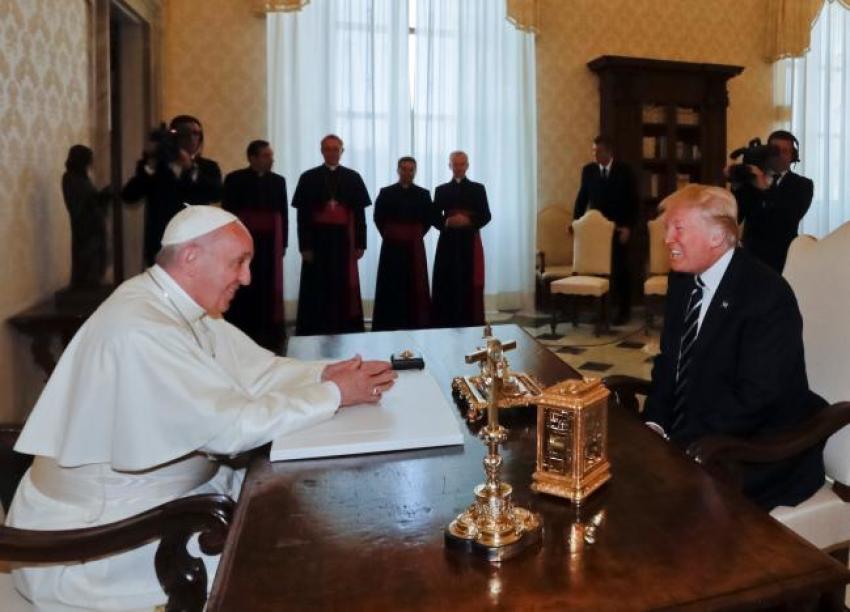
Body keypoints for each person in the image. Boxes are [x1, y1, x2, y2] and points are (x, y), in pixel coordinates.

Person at [7, 206, 396, 609]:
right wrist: (334, 394)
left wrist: (325, 374)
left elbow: (257, 372)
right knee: (296, 563)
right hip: (106, 539)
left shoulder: (175, 306)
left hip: (172, 497)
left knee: (307, 517)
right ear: (191, 257)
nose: (246, 278)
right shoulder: (141, 327)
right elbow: (231, 428)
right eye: (239, 262)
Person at [643, 184, 824, 511]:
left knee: (658, 511)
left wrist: (680, 444)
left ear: (716, 236)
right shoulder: (683, 281)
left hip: (755, 449)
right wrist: (654, 424)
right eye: (667, 228)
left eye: (678, 228)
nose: (667, 238)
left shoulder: (766, 294)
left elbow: (757, 398)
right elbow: (670, 362)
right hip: (701, 435)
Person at [291, 134, 371, 335]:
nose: (332, 153)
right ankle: (316, 328)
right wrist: (304, 246)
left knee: (342, 288)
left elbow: (360, 215)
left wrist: (361, 243)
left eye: (336, 149)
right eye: (328, 149)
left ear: (342, 151)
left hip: (344, 241)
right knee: (317, 287)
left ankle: (345, 328)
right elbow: (302, 217)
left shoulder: (353, 177)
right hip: (317, 241)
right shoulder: (308, 177)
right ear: (321, 151)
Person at [121, 114, 223, 266]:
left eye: (196, 134)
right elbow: (128, 196)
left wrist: (191, 169)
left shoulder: (208, 167)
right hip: (161, 241)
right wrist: (149, 167)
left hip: (196, 240)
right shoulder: (154, 166)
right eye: (185, 134)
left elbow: (216, 194)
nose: (191, 138)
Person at [223, 140, 288, 350]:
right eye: (266, 155)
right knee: (245, 286)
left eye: (271, 155)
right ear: (252, 158)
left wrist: (283, 243)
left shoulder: (279, 181)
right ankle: (244, 330)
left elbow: (283, 215)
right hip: (244, 244)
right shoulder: (234, 180)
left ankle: (269, 332)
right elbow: (228, 214)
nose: (271, 160)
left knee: (268, 287)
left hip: (270, 245)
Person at [572, 135, 639, 325]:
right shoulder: (589, 171)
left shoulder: (625, 171)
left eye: (598, 151)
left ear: (609, 152)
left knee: (620, 271)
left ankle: (623, 312)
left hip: (619, 230)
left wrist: (628, 227)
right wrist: (575, 223)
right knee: (597, 272)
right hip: (596, 233)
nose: (594, 154)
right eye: (593, 151)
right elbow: (582, 199)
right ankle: (601, 311)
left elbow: (634, 202)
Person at [732, 129, 814, 273]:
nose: (780, 156)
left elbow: (788, 218)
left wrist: (765, 187)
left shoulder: (803, 185)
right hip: (751, 258)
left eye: (785, 151)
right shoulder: (751, 181)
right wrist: (736, 186)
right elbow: (735, 217)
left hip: (784, 260)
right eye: (775, 150)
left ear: (793, 156)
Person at [372, 157, 435, 331]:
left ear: (415, 171)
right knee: (390, 284)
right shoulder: (386, 193)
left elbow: (428, 219)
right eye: (404, 169)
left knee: (414, 287)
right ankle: (389, 323)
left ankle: (415, 323)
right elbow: (378, 218)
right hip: (391, 247)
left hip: (414, 247)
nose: (407, 173)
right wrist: (392, 233)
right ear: (398, 170)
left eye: (411, 169)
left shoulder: (423, 194)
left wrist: (414, 234)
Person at [431, 151, 491, 328]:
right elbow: (433, 216)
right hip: (447, 242)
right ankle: (445, 320)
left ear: (467, 166)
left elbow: (486, 215)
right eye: (455, 164)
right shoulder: (441, 190)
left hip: (469, 242)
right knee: (446, 280)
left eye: (462, 164)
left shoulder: (478, 189)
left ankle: (469, 321)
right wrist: (447, 221)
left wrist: (469, 221)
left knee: (467, 281)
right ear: (449, 166)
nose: (458, 168)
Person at [62, 144, 111, 288]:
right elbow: (80, 201)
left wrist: (103, 196)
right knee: (87, 256)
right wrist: (99, 197)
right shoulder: (69, 177)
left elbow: (92, 198)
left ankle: (93, 279)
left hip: (93, 224)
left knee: (95, 255)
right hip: (84, 226)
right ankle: (87, 282)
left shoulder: (83, 177)